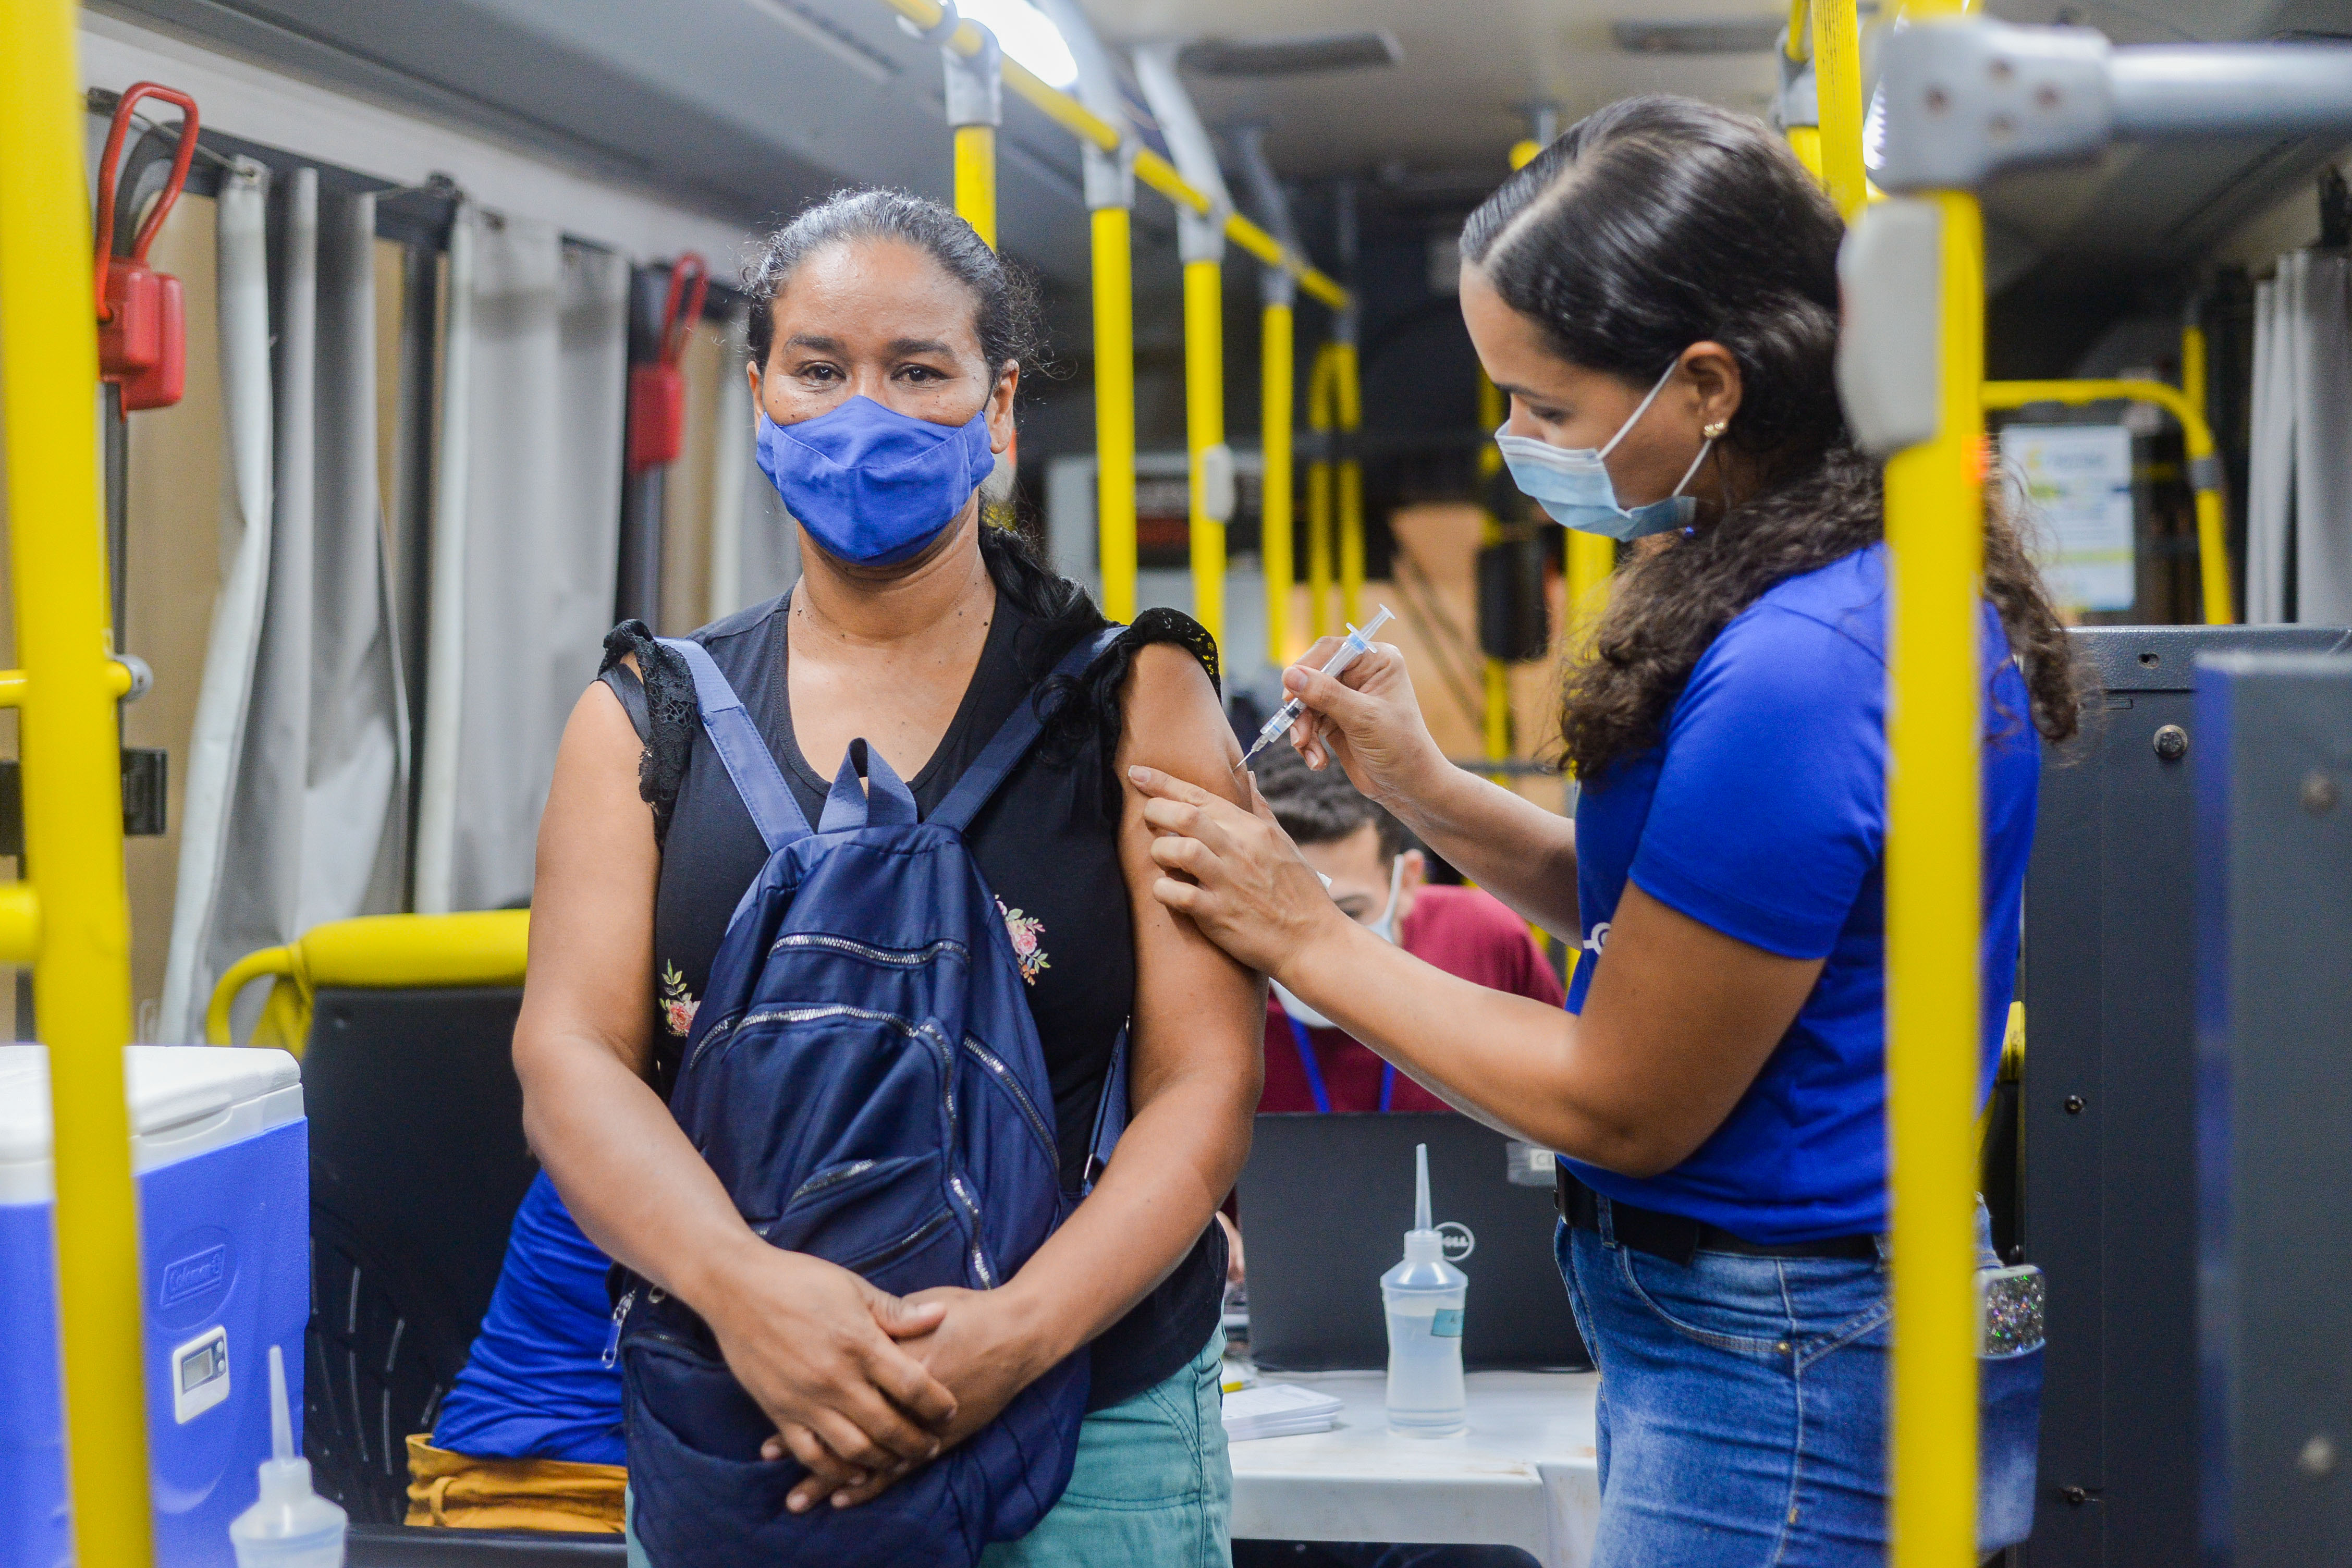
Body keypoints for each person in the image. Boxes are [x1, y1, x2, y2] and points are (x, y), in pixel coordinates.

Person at [1128, 96, 2076, 1564]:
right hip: (1765, 1323)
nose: (1513, 442)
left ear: (1707, 384)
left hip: (1787, 1355)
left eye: (1546, 407)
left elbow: (1629, 1095)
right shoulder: (1809, 574)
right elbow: (1670, 923)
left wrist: (1302, 932)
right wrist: (1426, 792)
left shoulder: (1807, 663)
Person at [513, 189, 1263, 1566]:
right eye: (822, 368)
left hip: (1090, 1411)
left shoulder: (1137, 699)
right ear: (758, 395)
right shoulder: (642, 717)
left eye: (920, 371)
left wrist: (1020, 1332)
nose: (869, 409)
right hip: (744, 1407)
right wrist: (745, 1294)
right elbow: (571, 1059)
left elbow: (1205, 1085)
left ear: (999, 410)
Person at [1249, 741, 1562, 1116]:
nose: (1310, 936)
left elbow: (1570, 1090)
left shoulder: (1483, 935)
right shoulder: (1218, 982)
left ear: (1408, 883)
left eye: (1348, 913)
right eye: (1285, 912)